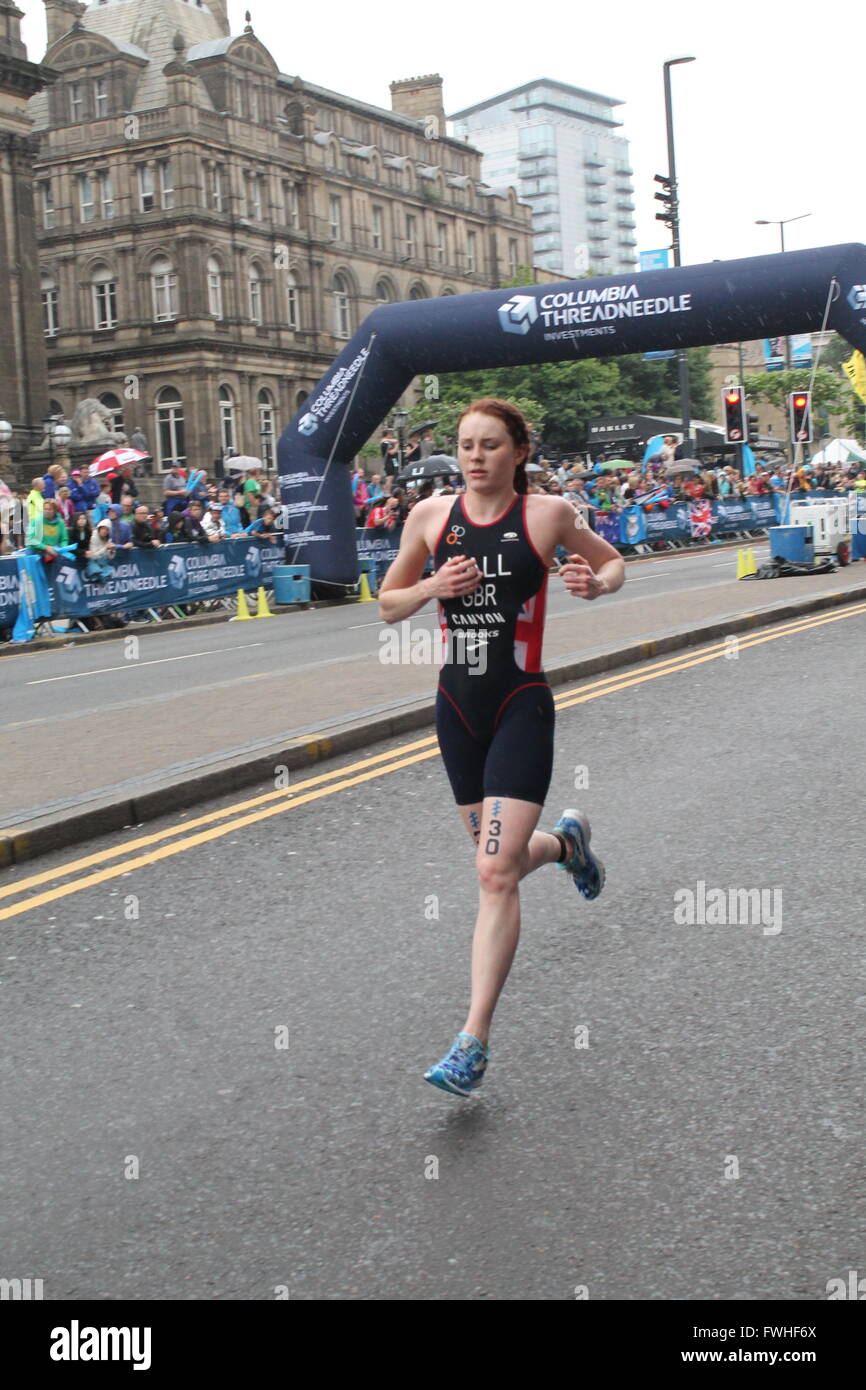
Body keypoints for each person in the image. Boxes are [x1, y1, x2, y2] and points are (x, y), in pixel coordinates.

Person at [378, 398, 624, 1097]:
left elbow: (612, 566)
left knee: (491, 875)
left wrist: (591, 585)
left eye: (490, 445)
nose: (476, 456)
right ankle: (566, 846)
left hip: (520, 702)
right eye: (466, 445)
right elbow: (386, 604)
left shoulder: (547, 515)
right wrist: (432, 584)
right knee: (507, 859)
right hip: (457, 707)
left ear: (518, 451)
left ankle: (472, 1041)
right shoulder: (430, 518)